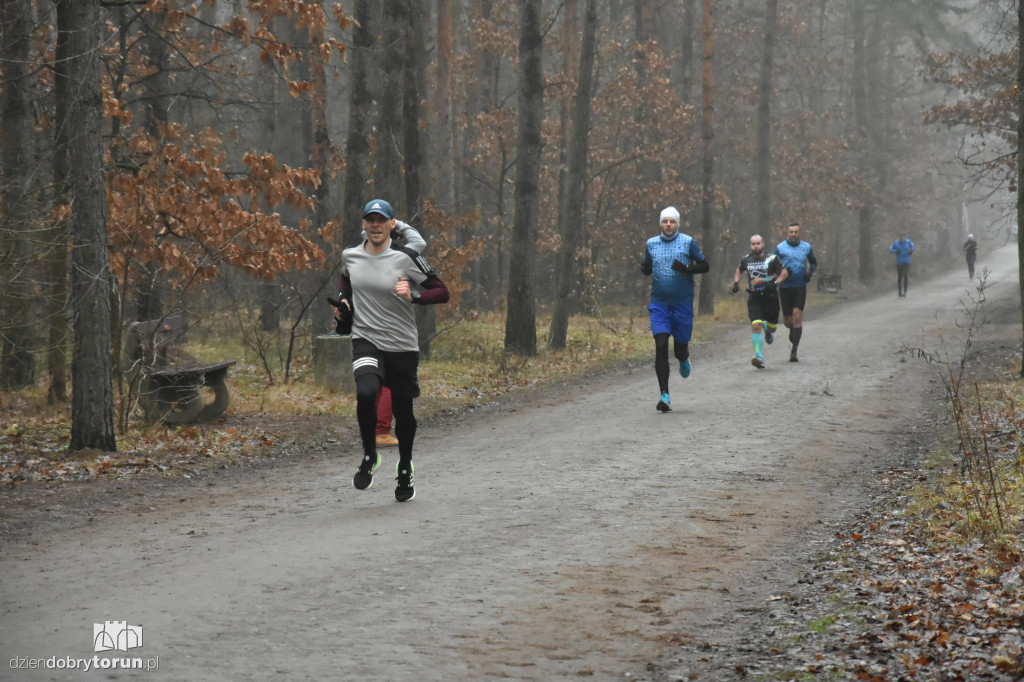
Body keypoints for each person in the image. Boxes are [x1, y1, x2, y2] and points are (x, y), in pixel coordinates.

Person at [334, 199, 449, 502]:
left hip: (401, 344)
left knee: (404, 412)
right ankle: (370, 456)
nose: (375, 225)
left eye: (380, 220)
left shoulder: (406, 258)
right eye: (370, 220)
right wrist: (344, 305)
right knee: (367, 391)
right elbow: (347, 284)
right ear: (363, 225)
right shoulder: (350, 256)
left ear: (390, 225)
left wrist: (414, 296)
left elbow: (441, 291)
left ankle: (405, 466)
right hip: (366, 338)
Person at [362, 220, 427, 447]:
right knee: (391, 383)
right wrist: (398, 223)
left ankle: (375, 429)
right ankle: (380, 430)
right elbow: (420, 241)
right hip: (393, 327)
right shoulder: (404, 256)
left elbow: (366, 233)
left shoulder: (367, 252)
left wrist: (377, 224)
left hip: (368, 323)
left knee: (376, 380)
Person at [640, 206, 710, 413]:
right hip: (660, 304)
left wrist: (688, 269)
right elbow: (647, 266)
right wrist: (644, 268)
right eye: (665, 221)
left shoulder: (688, 242)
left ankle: (683, 357)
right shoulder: (651, 244)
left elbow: (705, 265)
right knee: (661, 345)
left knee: (679, 349)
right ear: (660, 223)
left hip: (682, 304)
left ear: (677, 223)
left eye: (672, 221)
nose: (668, 225)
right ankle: (665, 395)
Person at [732, 234, 788, 369]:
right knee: (755, 326)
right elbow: (739, 269)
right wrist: (736, 282)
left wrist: (776, 283)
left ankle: (767, 330)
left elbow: (784, 273)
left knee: (772, 328)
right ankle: (759, 356)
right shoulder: (746, 259)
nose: (755, 246)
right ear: (750, 245)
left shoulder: (772, 258)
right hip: (754, 298)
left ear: (763, 244)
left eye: (758, 243)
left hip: (771, 298)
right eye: (753, 244)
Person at [774, 222, 817, 363]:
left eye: (796, 232)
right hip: (785, 288)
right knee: (788, 321)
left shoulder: (806, 247)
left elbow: (813, 263)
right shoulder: (780, 248)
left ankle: (794, 351)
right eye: (791, 232)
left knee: (798, 316)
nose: (793, 234)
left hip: (800, 286)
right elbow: (772, 265)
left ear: (799, 233)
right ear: (787, 232)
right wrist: (779, 274)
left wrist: (809, 273)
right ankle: (792, 328)